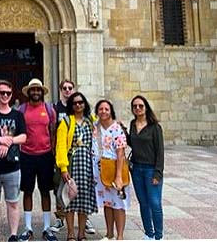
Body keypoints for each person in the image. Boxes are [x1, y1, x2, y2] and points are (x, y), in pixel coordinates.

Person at [0, 79, 27, 242]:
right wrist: (0, 140)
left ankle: (13, 235)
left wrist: (8, 142)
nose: (5, 96)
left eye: (8, 93)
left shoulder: (17, 115)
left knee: (13, 202)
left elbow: (23, 137)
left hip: (12, 167)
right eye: (2, 93)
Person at [52, 81, 95, 236]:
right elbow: (61, 146)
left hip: (87, 166)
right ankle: (70, 234)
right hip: (72, 165)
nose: (78, 105)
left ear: (85, 104)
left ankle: (81, 234)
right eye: (75, 103)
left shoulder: (91, 121)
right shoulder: (66, 122)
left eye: (81, 102)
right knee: (69, 201)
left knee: (84, 200)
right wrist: (63, 167)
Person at [18, 79, 58, 242]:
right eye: (33, 90)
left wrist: (54, 154)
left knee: (45, 191)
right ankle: (28, 228)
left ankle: (47, 228)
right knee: (27, 191)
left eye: (38, 90)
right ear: (29, 92)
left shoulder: (49, 110)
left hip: (45, 155)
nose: (35, 92)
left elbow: (53, 131)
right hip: (26, 154)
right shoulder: (22, 110)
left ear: (42, 92)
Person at [93, 99, 131, 240]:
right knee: (107, 203)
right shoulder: (94, 127)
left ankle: (120, 236)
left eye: (106, 109)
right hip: (100, 171)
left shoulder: (116, 128)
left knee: (118, 204)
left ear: (111, 111)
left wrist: (119, 176)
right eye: (101, 109)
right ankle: (109, 234)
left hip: (115, 169)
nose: (103, 111)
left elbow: (121, 153)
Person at [127, 95, 164, 241]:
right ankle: (149, 234)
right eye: (135, 106)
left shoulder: (155, 127)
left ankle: (159, 236)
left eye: (140, 106)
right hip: (136, 169)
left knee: (155, 203)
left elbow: (160, 152)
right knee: (143, 203)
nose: (137, 108)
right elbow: (133, 143)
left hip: (151, 170)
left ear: (146, 107)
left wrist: (157, 173)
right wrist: (123, 132)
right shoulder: (132, 124)